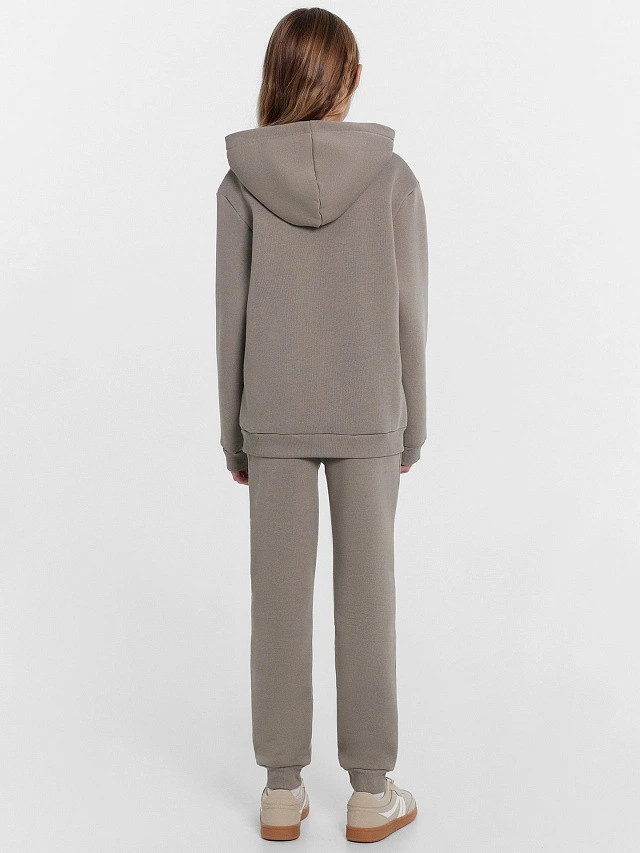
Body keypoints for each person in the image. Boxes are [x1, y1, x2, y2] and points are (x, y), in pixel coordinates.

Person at [215, 7, 427, 843]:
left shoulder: (240, 183)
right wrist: (413, 426)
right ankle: (371, 793)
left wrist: (234, 434)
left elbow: (229, 319)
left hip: (272, 414)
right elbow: (411, 314)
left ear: (277, 76)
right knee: (369, 599)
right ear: (353, 78)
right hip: (369, 412)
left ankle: (281, 789)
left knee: (277, 601)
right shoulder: (393, 177)